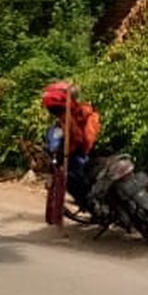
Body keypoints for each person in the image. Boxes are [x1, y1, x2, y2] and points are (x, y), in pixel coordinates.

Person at [42, 81, 102, 213]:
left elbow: (67, 143)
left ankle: (90, 204)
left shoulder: (66, 120)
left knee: (71, 178)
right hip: (92, 151)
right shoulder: (86, 110)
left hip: (81, 155)